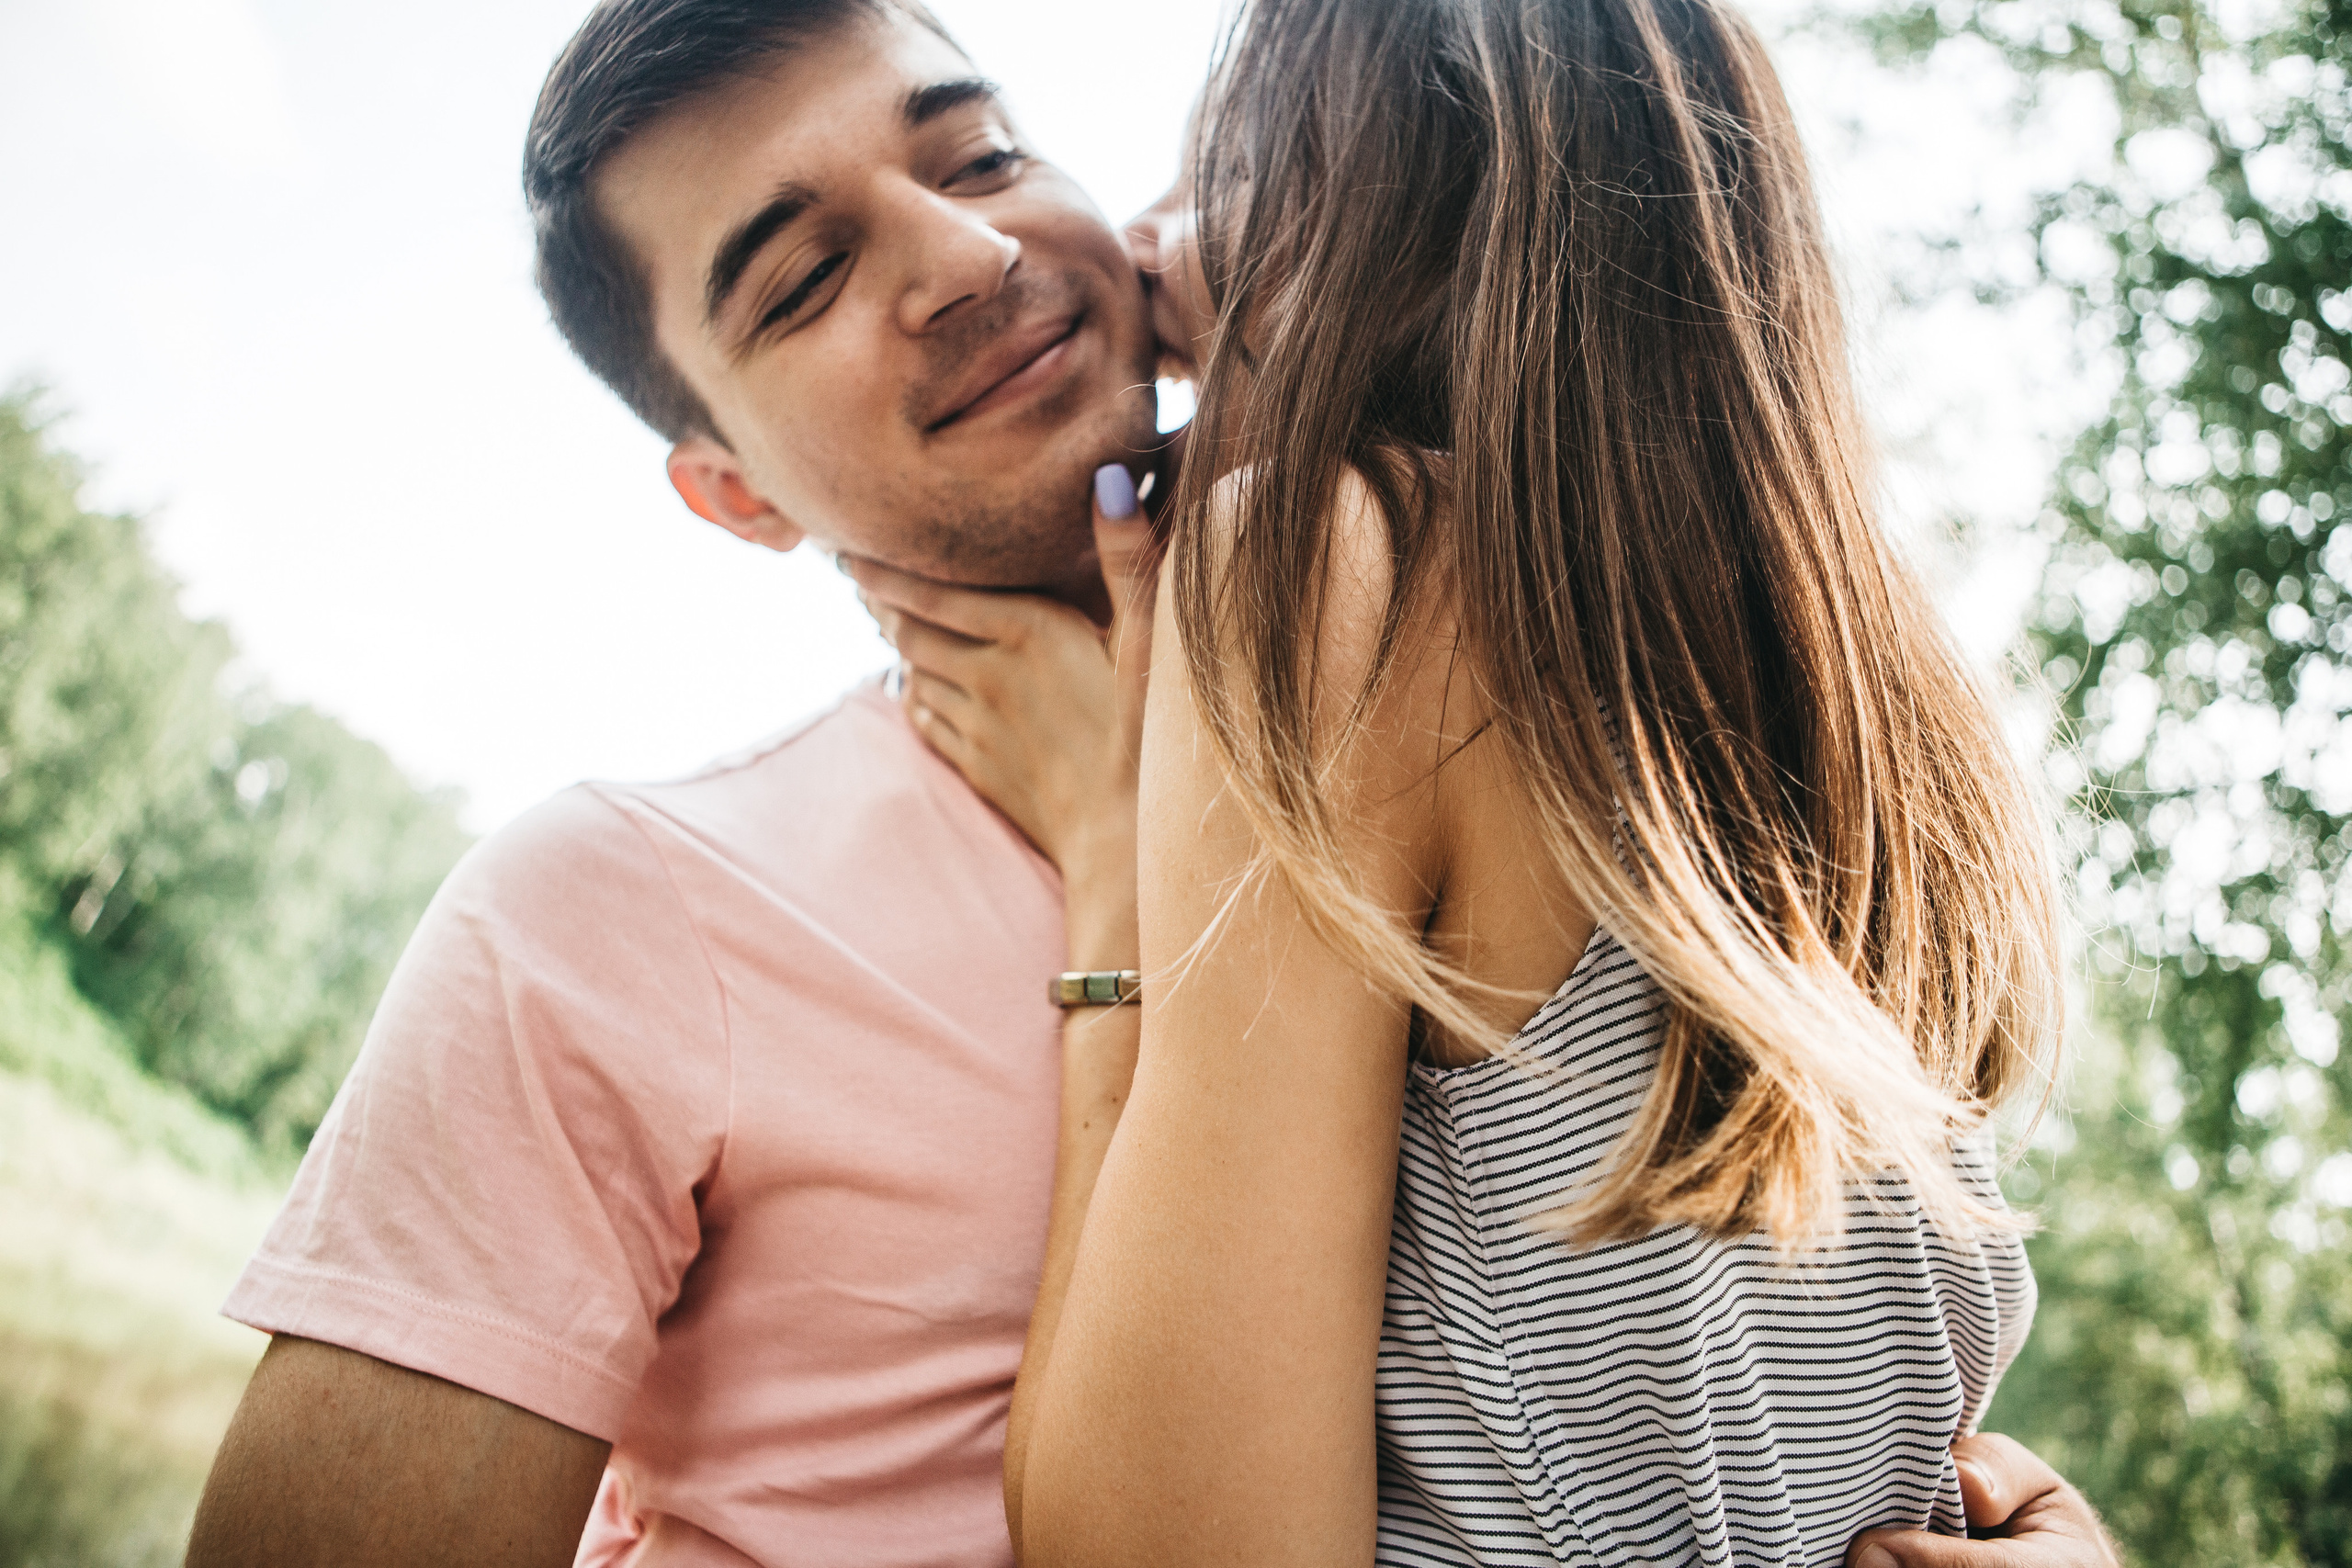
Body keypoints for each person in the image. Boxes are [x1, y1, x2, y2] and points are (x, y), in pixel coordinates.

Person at [182, 0, 2116, 1564]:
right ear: (732, 488)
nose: (960, 254)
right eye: (801, 279)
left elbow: (1692, 1360)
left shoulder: (1506, 672)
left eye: (980, 152)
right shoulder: (605, 911)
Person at [849, 0, 2090, 1562]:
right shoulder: (1888, 721)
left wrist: (1117, 858)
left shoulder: (1336, 560)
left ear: (1381, 214)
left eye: (1217, 178)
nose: (1147, 260)